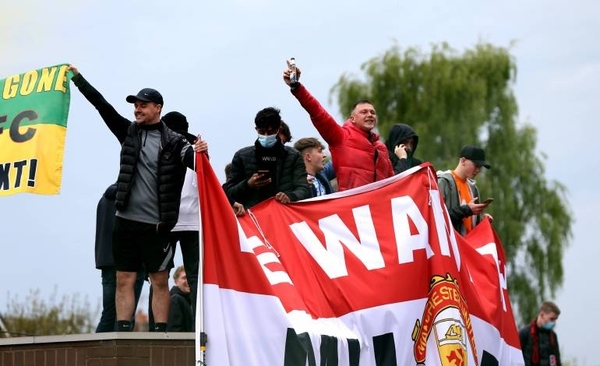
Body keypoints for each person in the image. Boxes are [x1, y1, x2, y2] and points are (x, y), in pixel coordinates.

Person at [69, 65, 208, 332]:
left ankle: (161, 334)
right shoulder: (128, 132)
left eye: (143, 105)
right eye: (136, 105)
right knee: (124, 278)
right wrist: (78, 79)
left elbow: (199, 167)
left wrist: (201, 152)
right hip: (126, 220)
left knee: (159, 279)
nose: (137, 109)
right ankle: (122, 332)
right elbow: (103, 107)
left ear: (158, 108)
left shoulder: (176, 142)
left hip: (156, 224)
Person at [283, 63, 394, 191]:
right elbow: (318, 113)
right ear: (352, 119)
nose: (369, 115)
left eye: (372, 112)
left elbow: (393, 180)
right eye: (364, 112)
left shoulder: (381, 148)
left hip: (380, 207)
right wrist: (297, 87)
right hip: (354, 207)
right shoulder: (341, 137)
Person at [223, 107, 310, 208]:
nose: (266, 136)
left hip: (283, 215)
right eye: (261, 132)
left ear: (278, 130)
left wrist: (290, 197)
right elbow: (229, 193)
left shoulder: (293, 156)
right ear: (256, 129)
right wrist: (248, 185)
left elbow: (303, 189)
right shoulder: (241, 156)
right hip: (253, 218)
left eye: (270, 132)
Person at [161, 111, 200, 326]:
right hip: (193, 220)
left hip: (166, 219)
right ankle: (198, 326)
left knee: (159, 276)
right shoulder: (197, 150)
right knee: (195, 276)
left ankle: (157, 327)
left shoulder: (161, 148)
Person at [94, 183, 145, 332]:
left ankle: (98, 352)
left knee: (108, 314)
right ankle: (122, 352)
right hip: (130, 263)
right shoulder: (132, 198)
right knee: (126, 316)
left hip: (107, 261)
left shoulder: (103, 200)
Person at [437, 145, 493, 236]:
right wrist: (466, 210)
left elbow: (472, 224)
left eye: (480, 167)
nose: (478, 170)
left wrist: (483, 222)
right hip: (451, 246)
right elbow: (436, 217)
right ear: (463, 161)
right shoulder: (443, 182)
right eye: (476, 166)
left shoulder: (473, 188)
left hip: (468, 245)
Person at [518, 301, 562, 366]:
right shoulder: (525, 333)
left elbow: (557, 360)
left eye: (555, 320)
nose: (554, 322)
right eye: (552, 319)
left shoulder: (553, 336)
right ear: (542, 315)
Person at [167, 265, 194, 332]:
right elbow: (174, 332)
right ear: (176, 281)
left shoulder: (190, 301)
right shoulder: (175, 300)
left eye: (190, 277)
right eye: (184, 278)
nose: (188, 281)